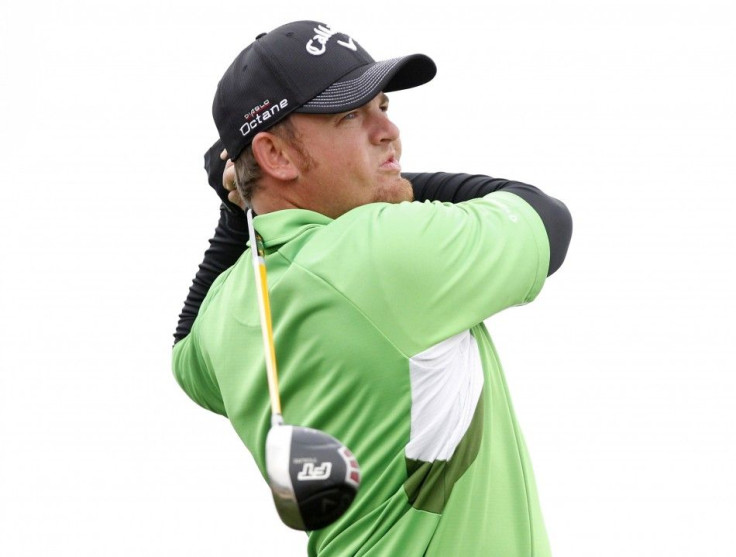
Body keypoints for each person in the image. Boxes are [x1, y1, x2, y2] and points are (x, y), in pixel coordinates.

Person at [172, 20, 572, 556]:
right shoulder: (380, 251)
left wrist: (234, 211)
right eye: (350, 115)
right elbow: (546, 218)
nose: (388, 132)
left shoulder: (227, 310)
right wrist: (390, 188)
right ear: (278, 156)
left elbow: (183, 353)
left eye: (383, 107)